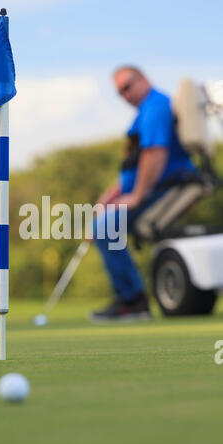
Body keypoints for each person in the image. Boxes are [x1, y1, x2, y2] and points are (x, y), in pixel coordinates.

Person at [91, 66, 197, 321]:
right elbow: (134, 164)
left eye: (127, 87)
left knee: (105, 228)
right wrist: (109, 196)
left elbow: (155, 155)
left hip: (164, 187)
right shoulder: (144, 113)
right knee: (102, 225)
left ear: (144, 79)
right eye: (120, 93)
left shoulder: (156, 107)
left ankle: (133, 301)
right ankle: (131, 299)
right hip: (148, 189)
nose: (125, 94)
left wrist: (136, 196)